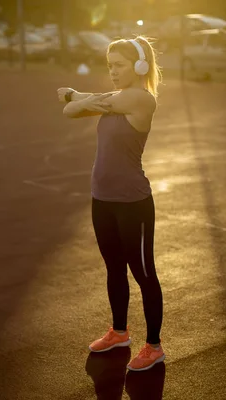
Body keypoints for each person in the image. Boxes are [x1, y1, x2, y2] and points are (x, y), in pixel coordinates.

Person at [57, 36, 165, 372]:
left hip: (133, 202)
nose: (113, 72)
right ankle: (119, 332)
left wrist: (81, 96)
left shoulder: (143, 100)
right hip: (102, 199)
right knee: (114, 268)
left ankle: (154, 346)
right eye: (110, 66)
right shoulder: (118, 98)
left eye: (119, 65)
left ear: (139, 66)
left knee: (144, 273)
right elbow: (69, 110)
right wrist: (82, 99)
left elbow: (77, 102)